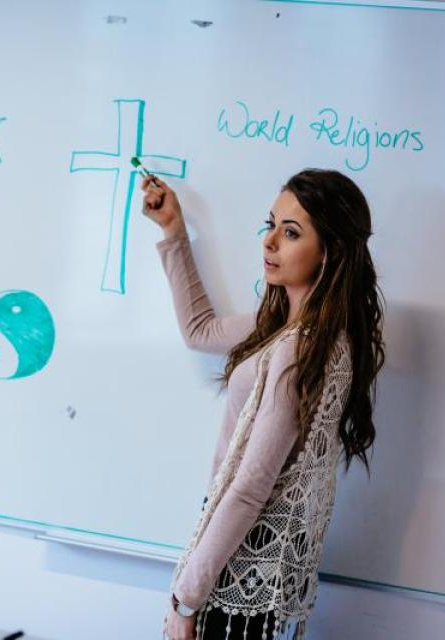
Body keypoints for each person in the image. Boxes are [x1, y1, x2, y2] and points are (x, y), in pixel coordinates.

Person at [141, 169, 385, 640]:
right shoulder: (291, 329)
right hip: (249, 568)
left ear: (328, 252)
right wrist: (174, 231)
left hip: (238, 570)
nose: (269, 242)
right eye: (270, 224)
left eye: (291, 233)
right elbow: (201, 331)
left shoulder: (300, 347)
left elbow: (252, 485)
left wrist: (187, 598)